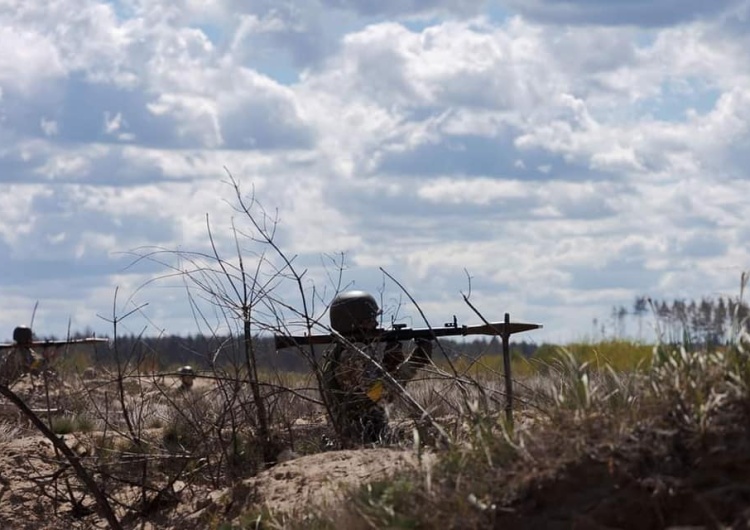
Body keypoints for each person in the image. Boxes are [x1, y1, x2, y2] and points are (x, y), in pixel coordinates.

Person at [322, 291, 433, 445]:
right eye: (370, 320)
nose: (375, 324)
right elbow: (381, 395)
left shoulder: (342, 351)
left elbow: (369, 392)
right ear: (354, 323)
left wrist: (390, 365)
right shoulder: (353, 355)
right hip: (362, 438)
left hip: (354, 434)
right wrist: (414, 362)